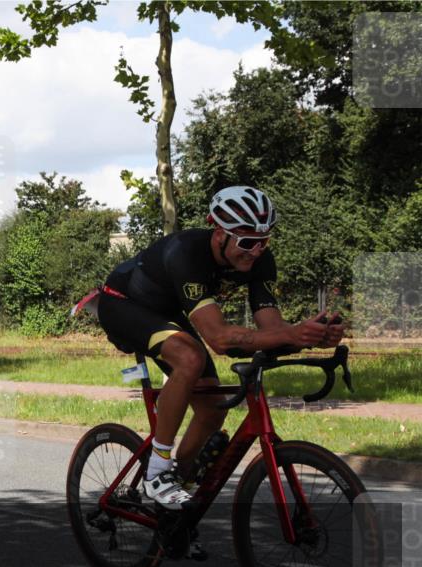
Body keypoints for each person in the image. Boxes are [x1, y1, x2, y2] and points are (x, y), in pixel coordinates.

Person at [97, 186, 344, 508]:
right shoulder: (187, 253)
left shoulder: (260, 262)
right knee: (190, 357)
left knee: (212, 411)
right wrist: (291, 335)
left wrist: (310, 337)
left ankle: (177, 491)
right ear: (219, 234)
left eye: (263, 241)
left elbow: (272, 330)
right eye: (246, 242)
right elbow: (219, 338)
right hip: (124, 304)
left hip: (168, 312)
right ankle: (158, 471)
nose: (255, 251)